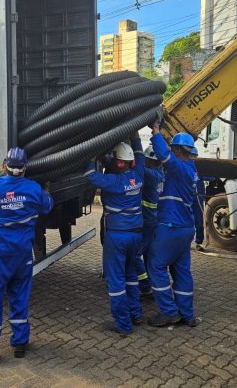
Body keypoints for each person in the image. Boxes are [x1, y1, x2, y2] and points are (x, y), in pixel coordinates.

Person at [0, 147, 54, 366]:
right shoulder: (33, 189)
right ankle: (19, 343)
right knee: (19, 297)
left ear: (5, 165)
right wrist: (46, 192)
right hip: (22, 255)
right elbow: (47, 206)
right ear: (25, 167)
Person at [84, 132, 145, 336]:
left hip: (117, 236)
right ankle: (136, 314)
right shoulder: (139, 175)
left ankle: (123, 324)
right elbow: (140, 155)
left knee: (116, 280)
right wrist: (136, 138)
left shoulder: (113, 182)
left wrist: (92, 158)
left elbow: (90, 175)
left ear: (118, 163)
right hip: (136, 234)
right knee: (131, 275)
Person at [147, 122, 199, 327]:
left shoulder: (178, 168)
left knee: (156, 266)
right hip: (185, 228)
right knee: (181, 270)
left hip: (171, 226)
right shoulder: (192, 170)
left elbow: (162, 154)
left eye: (174, 148)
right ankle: (187, 314)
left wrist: (156, 132)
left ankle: (169, 311)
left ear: (177, 150)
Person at [135, 145, 164, 295]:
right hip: (154, 221)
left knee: (134, 254)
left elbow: (137, 166)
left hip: (146, 221)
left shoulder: (150, 175)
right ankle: (152, 282)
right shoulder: (160, 173)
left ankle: (145, 284)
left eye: (146, 160)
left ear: (150, 161)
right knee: (148, 253)